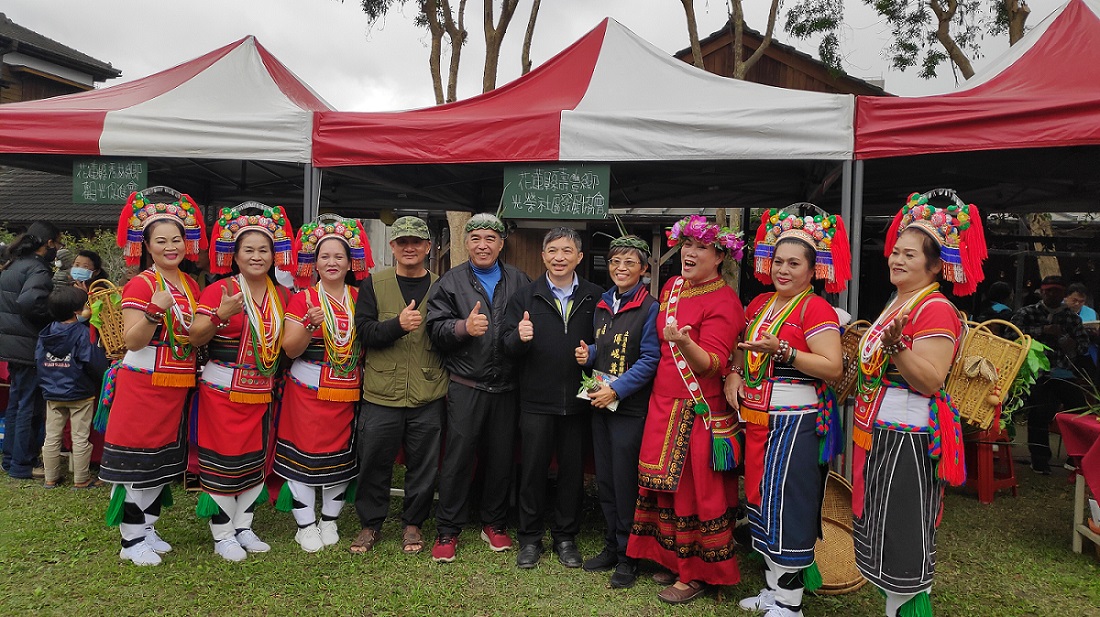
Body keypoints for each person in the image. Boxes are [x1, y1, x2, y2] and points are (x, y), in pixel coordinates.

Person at [852, 190, 986, 617]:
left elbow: (930, 380)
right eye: (895, 252)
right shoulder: (898, 302)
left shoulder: (936, 309)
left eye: (909, 255)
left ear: (935, 265)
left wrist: (897, 349)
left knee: (904, 532)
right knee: (884, 527)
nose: (896, 260)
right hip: (882, 428)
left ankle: (905, 609)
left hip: (908, 435)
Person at [726, 207, 849, 617]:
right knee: (761, 502)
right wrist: (733, 375)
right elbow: (741, 350)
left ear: (813, 270)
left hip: (796, 422)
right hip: (759, 419)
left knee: (788, 506)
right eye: (778, 261)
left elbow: (832, 367)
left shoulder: (815, 309)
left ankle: (790, 604)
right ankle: (773, 589)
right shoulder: (760, 303)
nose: (783, 269)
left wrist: (784, 351)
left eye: (794, 263)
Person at [626, 214, 746, 605]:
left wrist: (684, 342)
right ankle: (671, 558)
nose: (689, 253)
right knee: (662, 487)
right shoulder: (673, 286)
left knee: (696, 494)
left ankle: (696, 573)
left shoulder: (725, 301)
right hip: (663, 402)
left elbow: (712, 364)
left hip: (697, 410)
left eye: (701, 247)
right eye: (687, 245)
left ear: (720, 256)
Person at [99, 190, 206, 566]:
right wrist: (153, 313)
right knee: (138, 464)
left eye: (176, 239)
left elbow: (194, 334)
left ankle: (147, 527)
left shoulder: (190, 285)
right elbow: (131, 340)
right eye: (161, 241)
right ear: (146, 245)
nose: (170, 247)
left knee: (161, 463)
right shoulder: (142, 285)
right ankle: (131, 539)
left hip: (176, 385)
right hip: (144, 383)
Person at [189, 203, 294, 562]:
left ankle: (244, 525)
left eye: (263, 249)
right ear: (234, 255)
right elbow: (195, 337)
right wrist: (221, 315)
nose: (256, 256)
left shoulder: (282, 295)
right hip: (222, 389)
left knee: (255, 459)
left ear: (274, 255)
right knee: (223, 460)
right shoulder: (219, 290)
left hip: (262, 390)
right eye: (248, 250)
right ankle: (222, 533)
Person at [425, 212, 530, 563]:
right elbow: (434, 329)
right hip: (466, 384)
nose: (483, 245)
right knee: (457, 459)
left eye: (490, 239)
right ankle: (447, 529)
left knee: (501, 458)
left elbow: (527, 324)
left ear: (501, 244)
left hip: (507, 386)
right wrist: (462, 328)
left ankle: (494, 523)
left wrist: (524, 335)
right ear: (466, 243)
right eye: (476, 238)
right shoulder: (450, 282)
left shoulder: (519, 280)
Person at [502, 227, 601, 570]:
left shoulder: (595, 296)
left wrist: (592, 353)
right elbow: (506, 345)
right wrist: (519, 336)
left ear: (579, 257)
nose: (560, 257)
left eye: (567, 251)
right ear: (543, 256)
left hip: (579, 400)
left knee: (572, 474)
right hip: (535, 400)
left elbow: (608, 343)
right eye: (553, 251)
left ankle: (565, 537)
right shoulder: (525, 297)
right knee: (532, 471)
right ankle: (529, 538)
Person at [275, 215, 372, 552]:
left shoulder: (360, 297)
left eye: (339, 256)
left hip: (348, 390)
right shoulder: (303, 298)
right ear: (314, 263)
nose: (332, 263)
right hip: (307, 390)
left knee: (340, 458)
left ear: (350, 262)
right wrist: (307, 326)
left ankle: (329, 520)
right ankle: (305, 525)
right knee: (303, 457)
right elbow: (290, 349)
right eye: (325, 256)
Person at [353, 216, 447, 556]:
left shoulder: (442, 286)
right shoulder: (373, 284)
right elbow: (364, 332)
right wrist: (397, 325)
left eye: (416, 242)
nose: (410, 248)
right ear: (392, 246)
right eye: (402, 242)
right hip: (382, 392)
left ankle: (413, 523)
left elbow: (448, 334)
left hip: (428, 390)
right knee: (374, 462)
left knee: (424, 465)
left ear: (428, 247)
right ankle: (370, 524)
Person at [574, 233, 659, 589]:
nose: (621, 268)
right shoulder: (604, 302)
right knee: (606, 480)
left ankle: (629, 556)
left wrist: (618, 389)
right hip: (601, 404)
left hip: (629, 408)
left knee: (625, 484)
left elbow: (650, 358)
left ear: (643, 268)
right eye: (615, 262)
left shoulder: (650, 307)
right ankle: (612, 545)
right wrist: (589, 355)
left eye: (629, 263)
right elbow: (605, 345)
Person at [1010, 275, 1089, 474]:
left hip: (1064, 373)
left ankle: (1076, 458)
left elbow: (1083, 346)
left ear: (1063, 294)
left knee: (1082, 411)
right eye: (1049, 291)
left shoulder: (1071, 318)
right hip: (1037, 374)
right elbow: (1012, 336)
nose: (1052, 294)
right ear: (1042, 292)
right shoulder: (1027, 313)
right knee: (1039, 412)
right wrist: (1043, 330)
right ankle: (1040, 460)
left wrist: (1071, 344)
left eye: (1057, 291)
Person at [0, 221, 60, 480]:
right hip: (28, 344)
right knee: (30, 406)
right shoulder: (38, 268)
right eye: (57, 243)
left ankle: (10, 460)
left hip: (11, 343)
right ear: (49, 243)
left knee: (16, 403)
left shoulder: (14, 264)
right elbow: (29, 301)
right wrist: (54, 315)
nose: (57, 248)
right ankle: (23, 464)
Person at [36, 285, 109, 489]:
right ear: (77, 311)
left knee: (52, 436)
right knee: (80, 437)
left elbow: (39, 360)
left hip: (52, 393)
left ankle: (50, 477)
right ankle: (81, 479)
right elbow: (94, 362)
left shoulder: (46, 333)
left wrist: (48, 383)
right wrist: (101, 377)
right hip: (80, 393)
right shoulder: (83, 334)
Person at [1065, 282, 1099, 377]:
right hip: (1065, 354)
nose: (1077, 304)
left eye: (1081, 301)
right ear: (1066, 297)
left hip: (1087, 353)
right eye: (1074, 300)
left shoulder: (1091, 313)